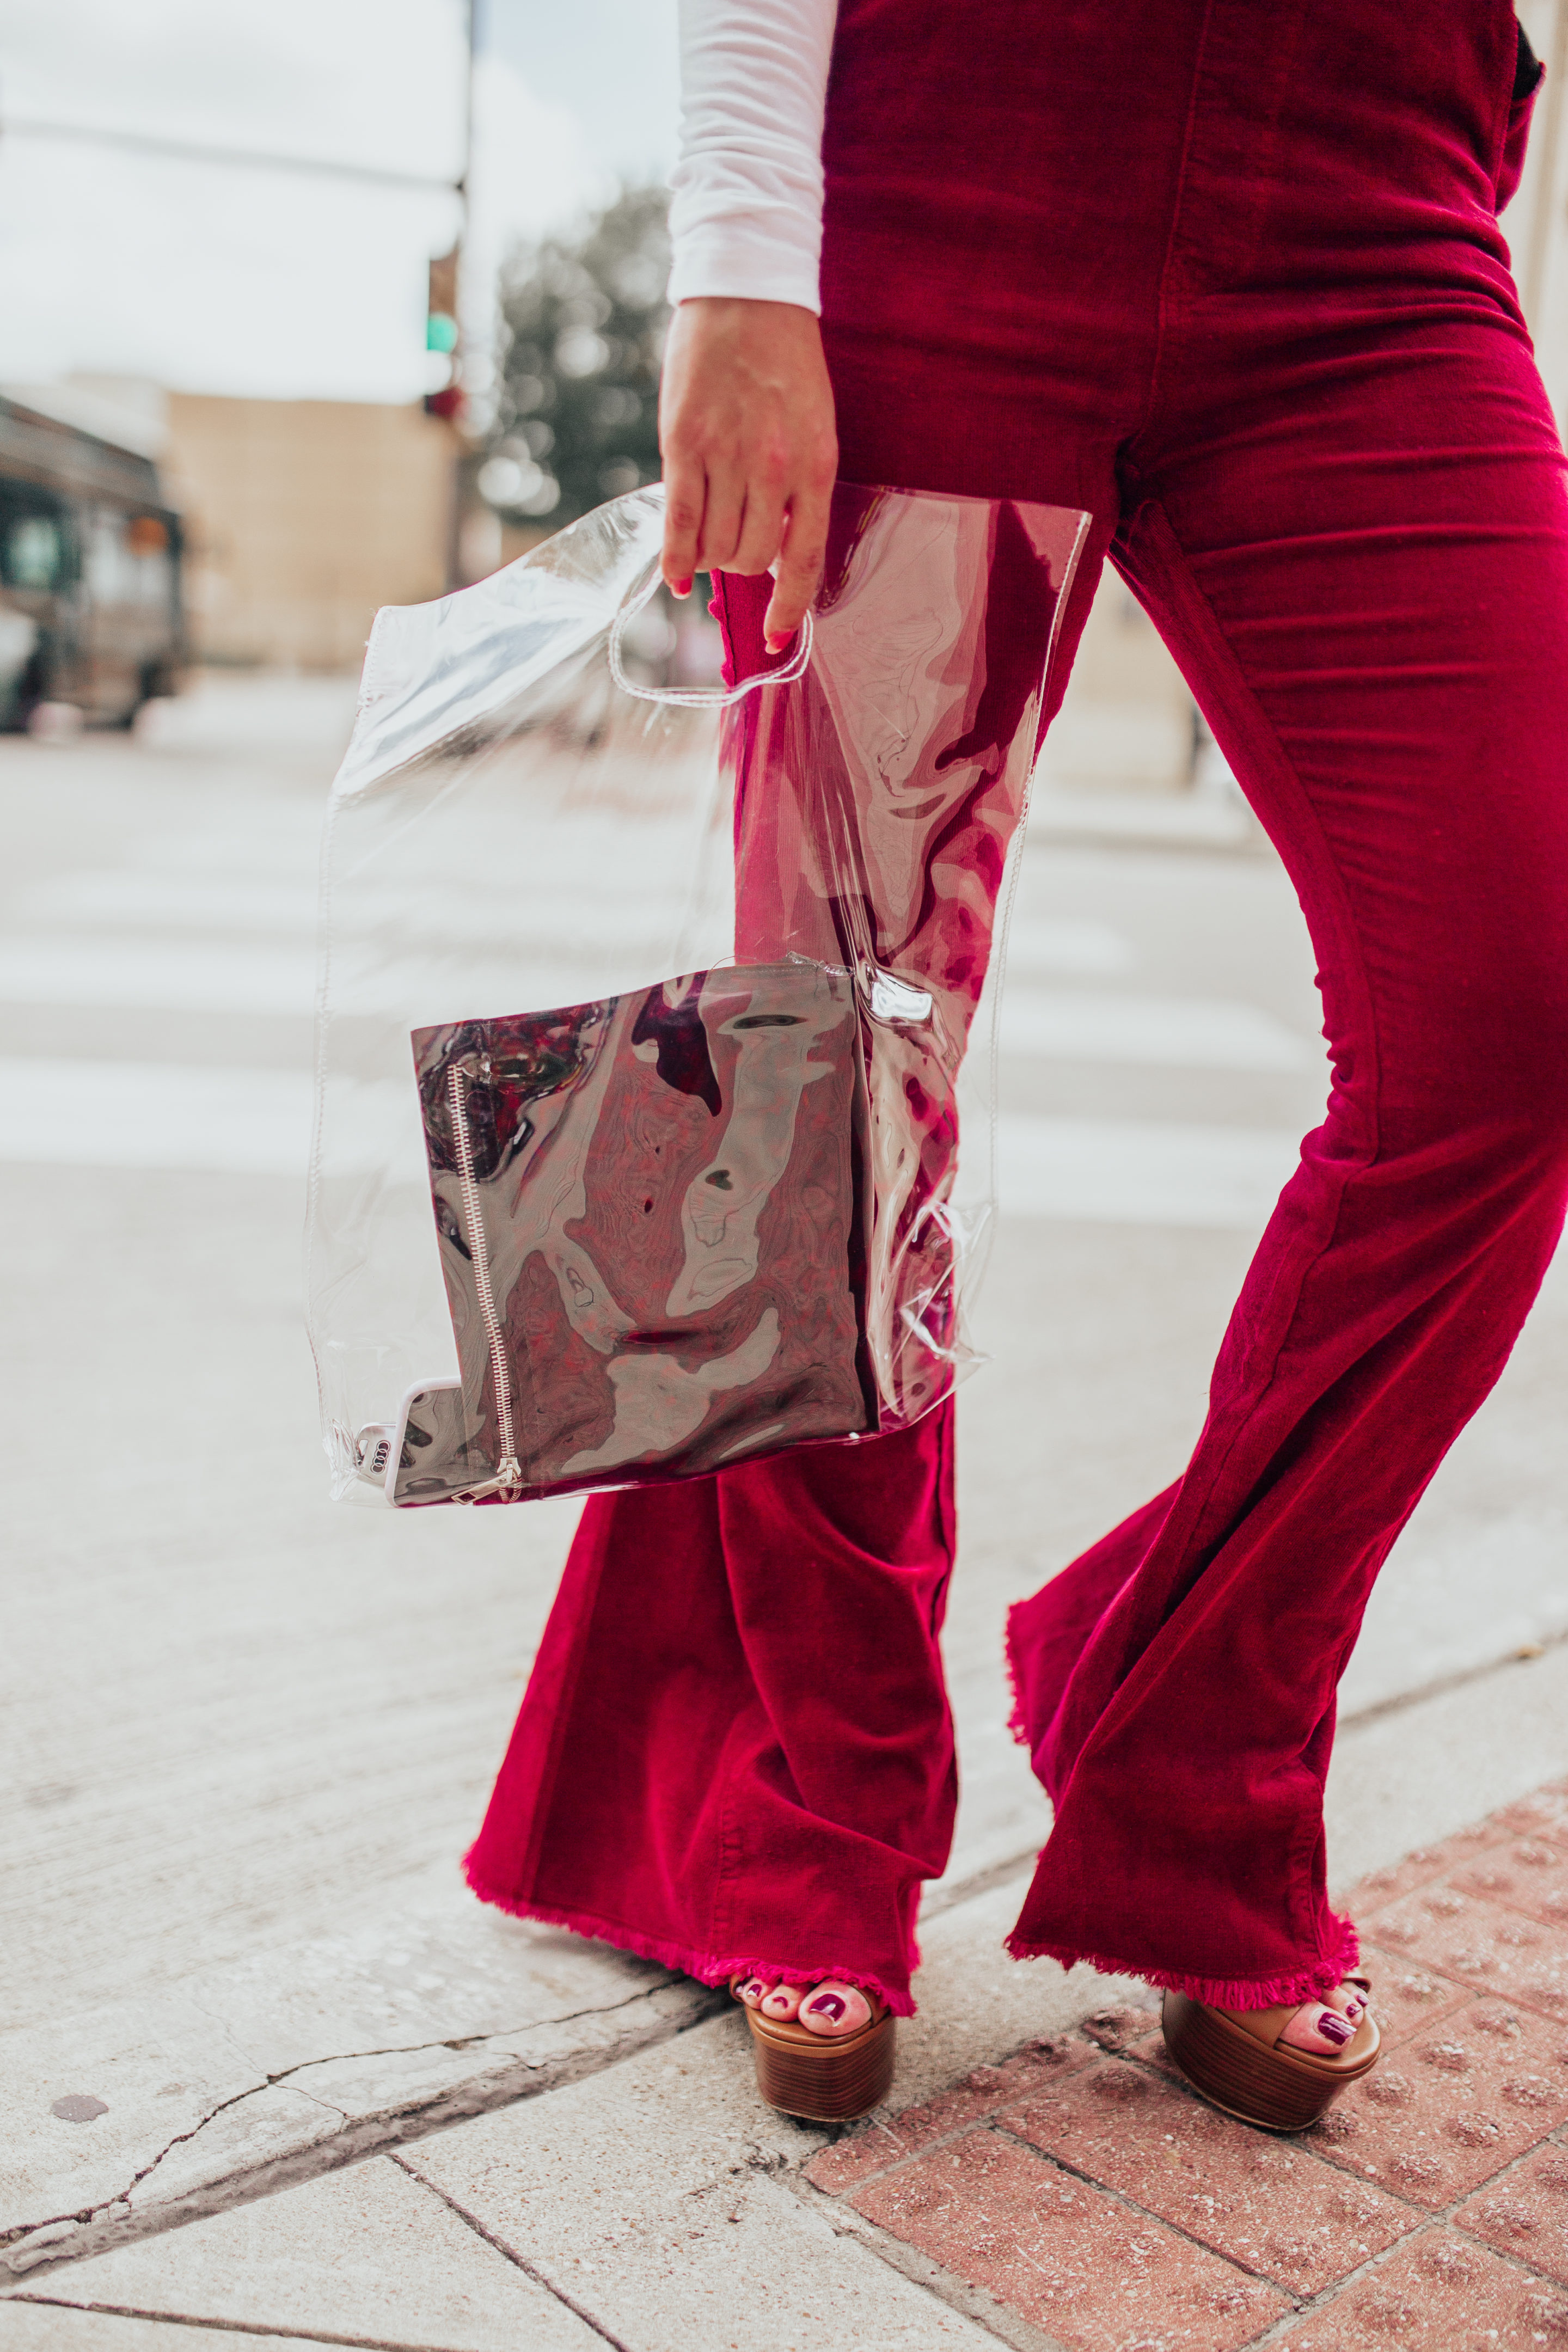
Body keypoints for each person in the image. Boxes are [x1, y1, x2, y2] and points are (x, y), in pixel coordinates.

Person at [466, 0, 1566, 2128]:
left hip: (1383, 201)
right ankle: (802, 1801)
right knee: (824, 1050)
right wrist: (740, 251)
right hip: (955, 154)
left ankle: (1195, 1750)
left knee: (1514, 1020)